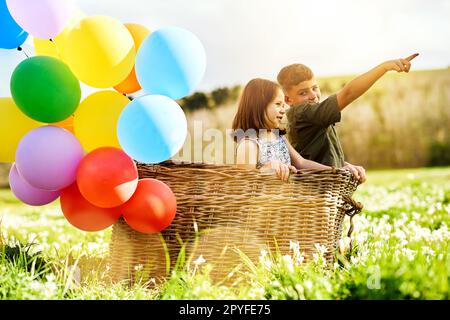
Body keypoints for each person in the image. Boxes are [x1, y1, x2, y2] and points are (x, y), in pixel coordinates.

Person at [277, 53, 419, 183]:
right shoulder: (303, 112)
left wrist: (345, 165)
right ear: (288, 100)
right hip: (316, 187)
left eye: (315, 88)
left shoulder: (310, 115)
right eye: (303, 93)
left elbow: (315, 154)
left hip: (324, 183)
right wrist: (384, 67)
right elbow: (348, 93)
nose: (313, 95)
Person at [232, 78, 351, 182]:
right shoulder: (249, 144)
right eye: (278, 104)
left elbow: (301, 163)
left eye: (284, 105)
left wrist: (336, 171)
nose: (283, 110)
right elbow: (245, 184)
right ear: (258, 106)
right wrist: (267, 169)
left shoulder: (278, 137)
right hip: (263, 206)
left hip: (287, 204)